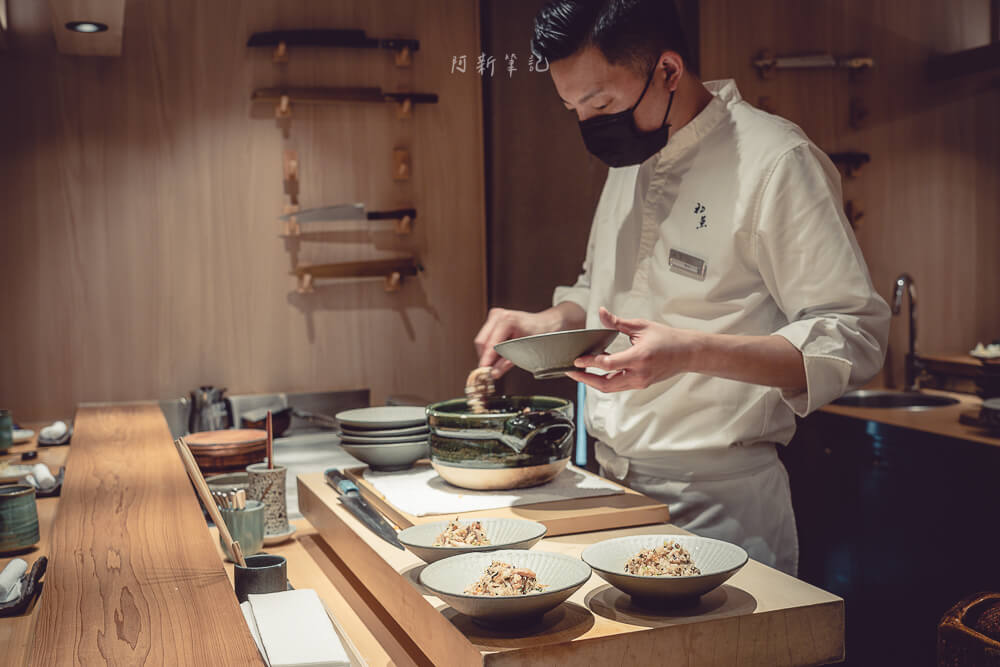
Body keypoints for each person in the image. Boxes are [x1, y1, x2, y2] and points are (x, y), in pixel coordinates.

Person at [474, 0, 890, 576]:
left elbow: (852, 334)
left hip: (720, 502)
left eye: (602, 103)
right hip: (605, 484)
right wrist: (547, 324)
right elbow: (603, 287)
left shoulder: (776, 160)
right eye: (573, 107)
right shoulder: (632, 158)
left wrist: (690, 352)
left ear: (668, 70)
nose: (588, 124)